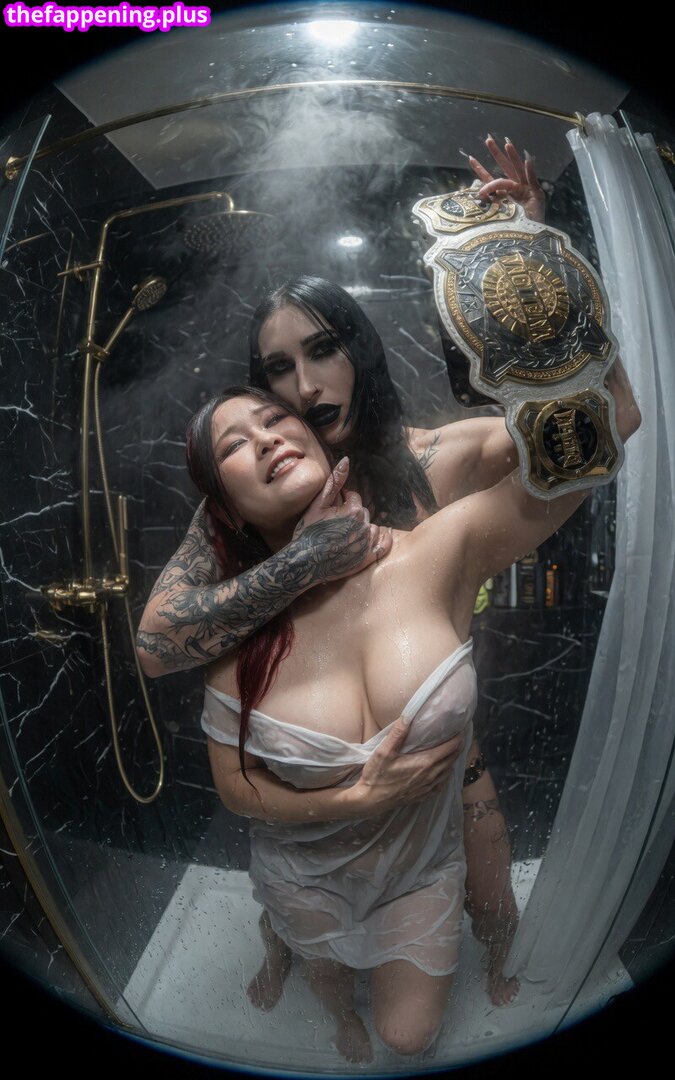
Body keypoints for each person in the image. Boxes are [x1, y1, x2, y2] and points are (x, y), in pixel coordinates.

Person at [135, 139, 549, 1006]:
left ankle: (495, 965)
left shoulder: (438, 457)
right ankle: (285, 946)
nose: (304, 385)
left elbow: (573, 432)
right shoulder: (261, 488)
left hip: (435, 730)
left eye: (321, 350)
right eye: (277, 369)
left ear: (357, 349)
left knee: (490, 901)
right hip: (313, 749)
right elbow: (156, 645)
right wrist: (298, 562)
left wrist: (518, 261)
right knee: (296, 895)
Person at [186, 375, 639, 1062]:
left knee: (408, 1037)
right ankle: (323, 992)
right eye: (233, 445)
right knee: (332, 989)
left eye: (274, 419)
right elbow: (234, 785)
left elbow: (608, 430)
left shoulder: (436, 550)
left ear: (317, 439)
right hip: (304, 874)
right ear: (225, 508)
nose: (266, 439)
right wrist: (353, 798)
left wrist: (575, 349)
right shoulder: (230, 629)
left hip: (420, 869)